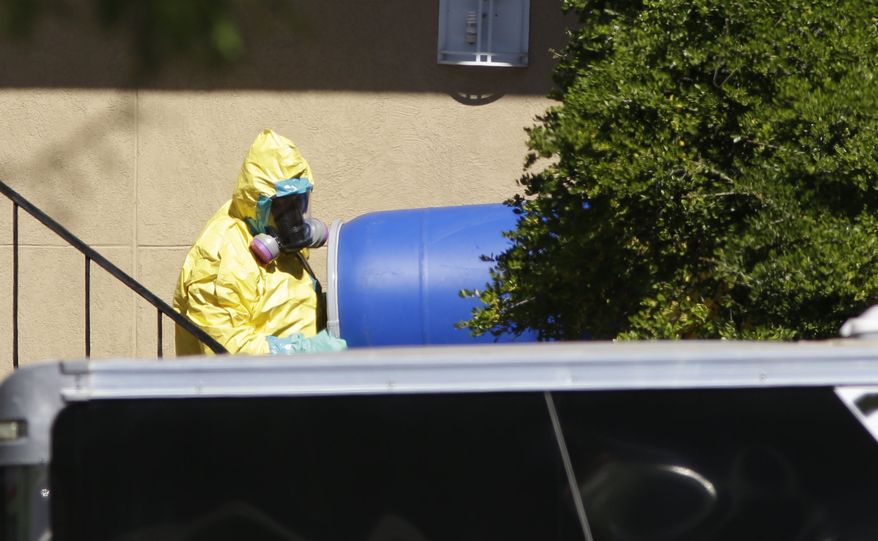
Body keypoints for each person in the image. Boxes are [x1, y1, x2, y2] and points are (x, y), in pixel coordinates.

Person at [174, 129, 346, 355]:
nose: (294, 220)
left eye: (300, 203)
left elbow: (290, 308)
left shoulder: (281, 247)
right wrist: (302, 352)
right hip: (258, 379)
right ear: (256, 205)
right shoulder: (221, 255)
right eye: (283, 207)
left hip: (299, 376)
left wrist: (335, 309)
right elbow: (228, 348)